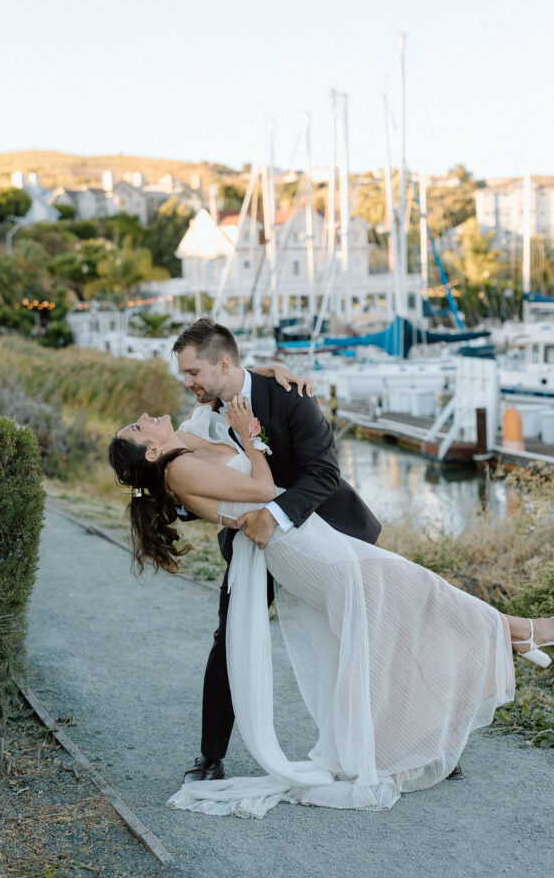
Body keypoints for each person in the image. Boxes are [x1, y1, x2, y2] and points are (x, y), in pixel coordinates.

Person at [108, 393, 554, 818]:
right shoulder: (179, 468)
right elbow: (262, 490)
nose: (145, 415)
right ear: (151, 451)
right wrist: (252, 437)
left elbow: (210, 409)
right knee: (422, 594)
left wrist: (276, 380)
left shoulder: (184, 449)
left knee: (414, 604)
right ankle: (527, 632)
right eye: (137, 425)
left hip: (308, 541)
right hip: (305, 549)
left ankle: (512, 640)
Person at [173, 318, 382, 782]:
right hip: (252, 547)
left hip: (329, 533)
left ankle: (407, 746)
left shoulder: (290, 395)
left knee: (361, 640)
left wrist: (276, 515)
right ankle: (211, 758)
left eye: (193, 373)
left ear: (223, 363)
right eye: (184, 374)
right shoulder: (201, 418)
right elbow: (197, 482)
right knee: (228, 638)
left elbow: (325, 474)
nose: (187, 382)